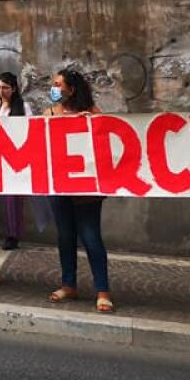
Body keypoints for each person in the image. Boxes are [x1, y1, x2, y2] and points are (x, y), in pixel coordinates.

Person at [47, 69, 114, 313]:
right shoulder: (50, 113)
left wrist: (88, 124)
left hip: (86, 190)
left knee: (91, 237)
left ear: (71, 89)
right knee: (65, 236)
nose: (54, 88)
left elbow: (105, 142)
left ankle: (103, 290)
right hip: (59, 185)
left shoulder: (93, 112)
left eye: (58, 84)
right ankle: (68, 284)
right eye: (53, 84)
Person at [0, 72, 28, 250]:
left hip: (14, 158)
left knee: (12, 198)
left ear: (13, 89)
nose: (1, 91)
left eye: (5, 87)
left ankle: (13, 234)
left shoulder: (23, 107)